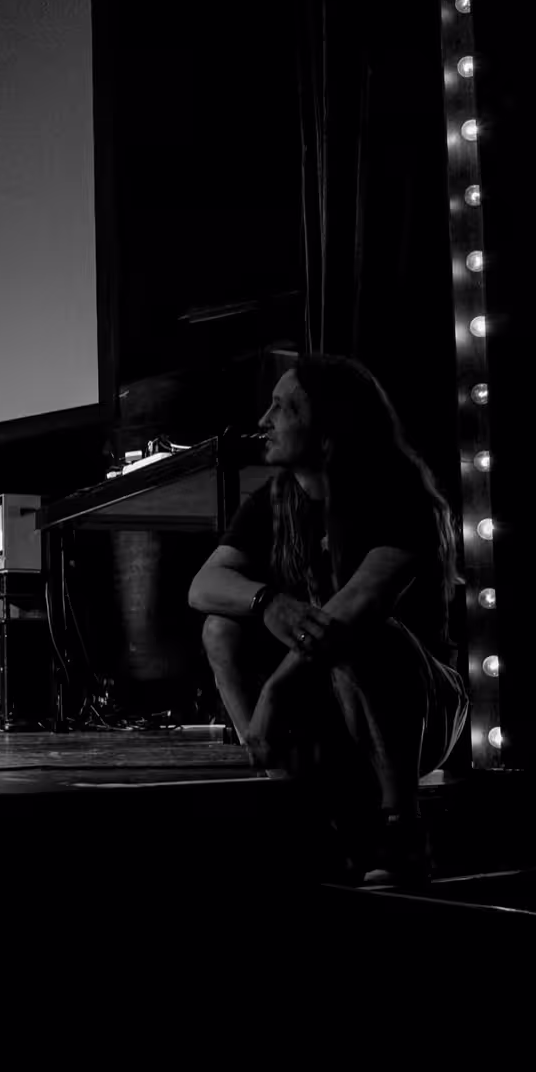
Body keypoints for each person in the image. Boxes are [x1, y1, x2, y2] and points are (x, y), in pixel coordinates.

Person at [187, 354, 468, 884]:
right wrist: (268, 602)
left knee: (363, 635)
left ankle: (402, 830)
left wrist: (272, 694)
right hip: (325, 703)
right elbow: (203, 587)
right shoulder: (275, 500)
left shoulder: (398, 494)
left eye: (281, 407)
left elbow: (356, 609)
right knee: (220, 625)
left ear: (327, 422)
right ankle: (279, 786)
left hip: (420, 711)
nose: (265, 420)